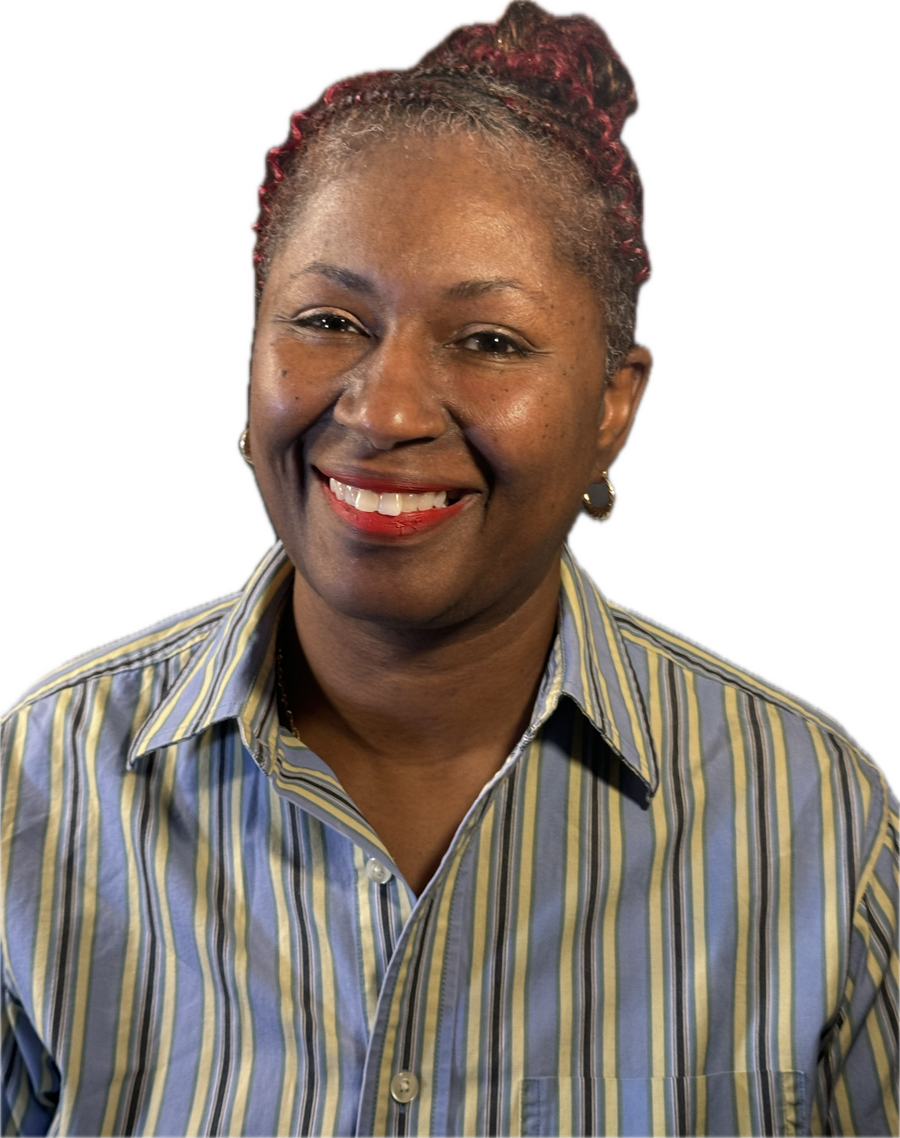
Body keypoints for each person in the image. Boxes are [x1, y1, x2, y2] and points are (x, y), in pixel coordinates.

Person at [1, 1, 897, 1134]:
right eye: (328, 320)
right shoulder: (36, 785)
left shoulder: (812, 818)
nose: (382, 412)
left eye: (488, 342)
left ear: (614, 407)